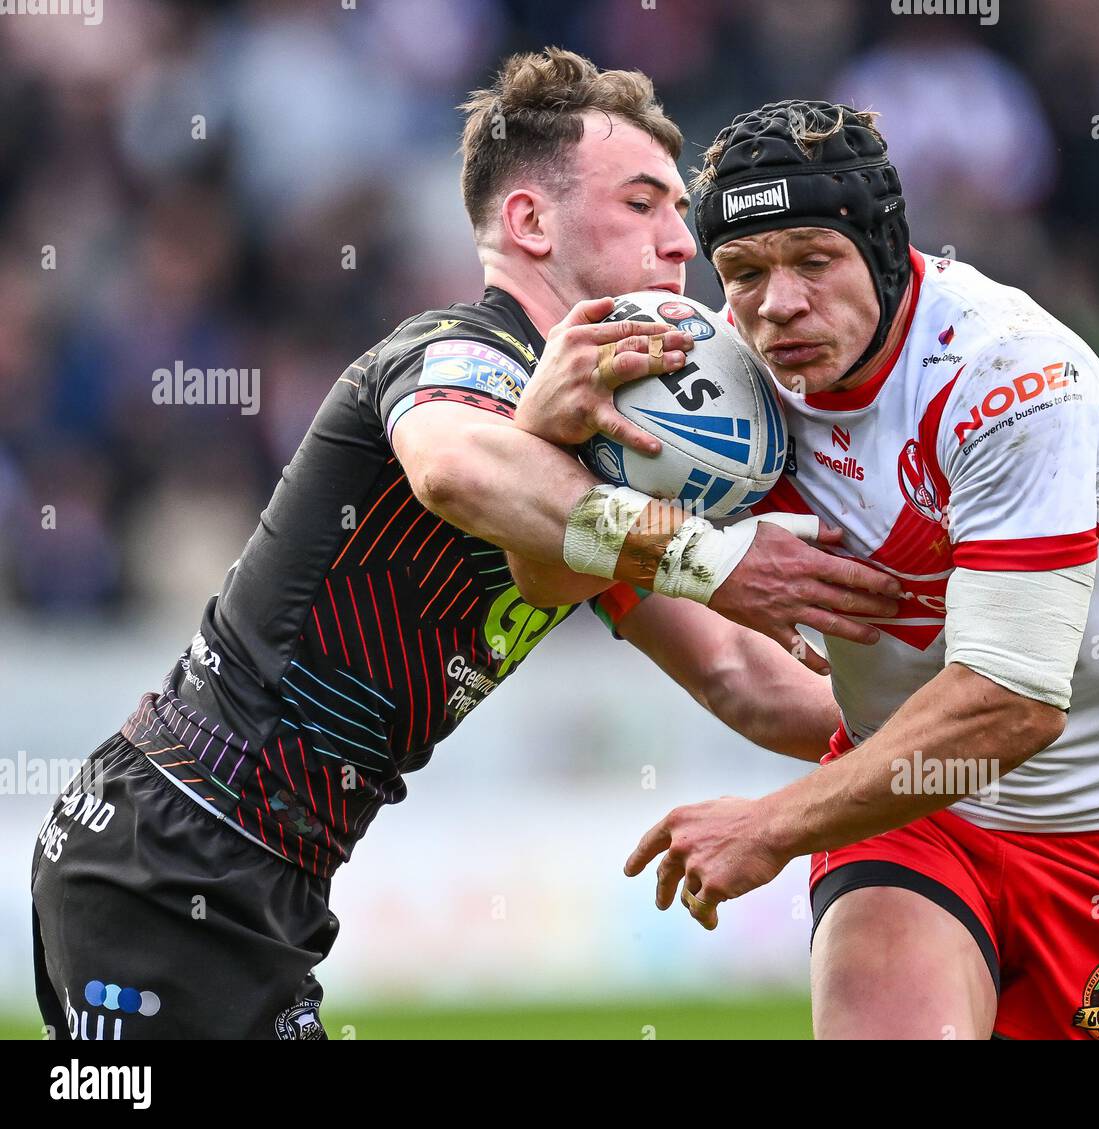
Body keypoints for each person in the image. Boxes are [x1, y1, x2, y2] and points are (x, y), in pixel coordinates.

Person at [31, 61, 901, 1041]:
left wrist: (950, 741)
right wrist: (711, 557)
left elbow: (745, 676)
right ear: (530, 223)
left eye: (679, 210)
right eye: (643, 202)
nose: (678, 239)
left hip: (249, 870)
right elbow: (455, 468)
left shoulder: (599, 468)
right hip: (174, 859)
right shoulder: (453, 352)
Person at [517, 100, 1099, 1041]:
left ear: (884, 248)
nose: (779, 304)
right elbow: (547, 578)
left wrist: (769, 823)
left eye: (812, 259)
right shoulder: (717, 379)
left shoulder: (1009, 378)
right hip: (906, 806)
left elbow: (1015, 702)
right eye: (746, 273)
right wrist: (545, 437)